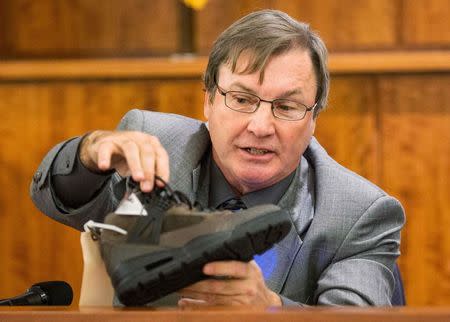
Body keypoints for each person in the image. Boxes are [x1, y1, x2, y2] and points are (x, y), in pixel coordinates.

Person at [30, 9, 405, 306]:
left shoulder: (360, 213)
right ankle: (172, 229)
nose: (260, 126)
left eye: (287, 106)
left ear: (314, 119)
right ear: (208, 100)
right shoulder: (154, 143)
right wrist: (90, 152)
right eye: (242, 100)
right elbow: (52, 199)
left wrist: (271, 309)